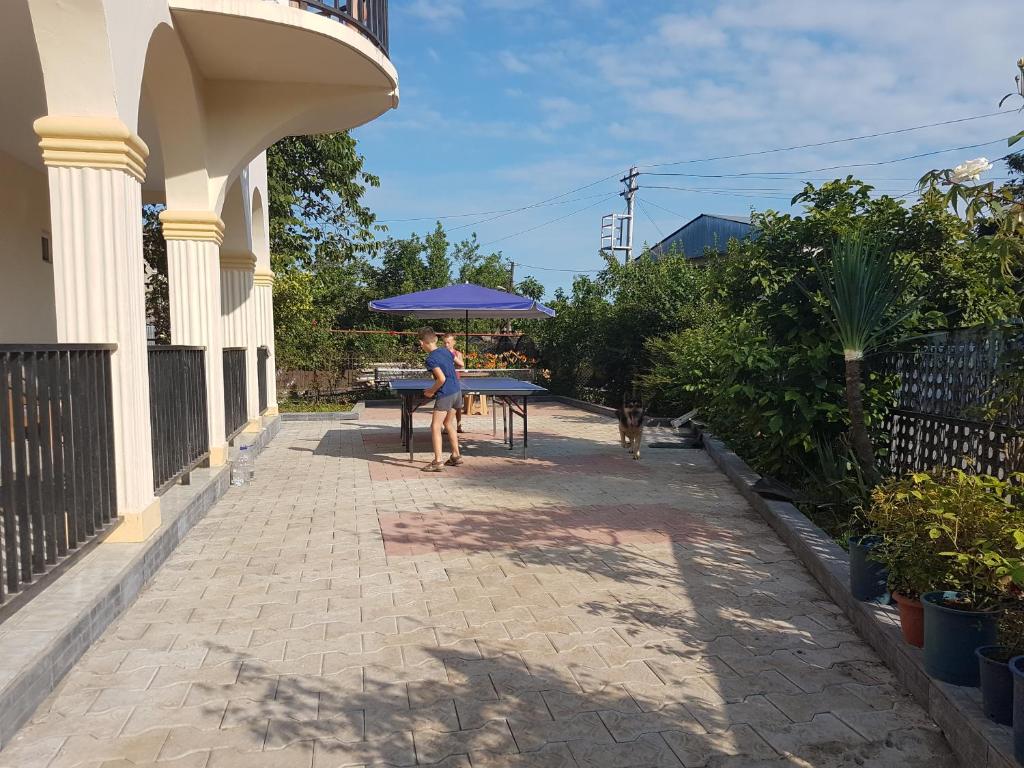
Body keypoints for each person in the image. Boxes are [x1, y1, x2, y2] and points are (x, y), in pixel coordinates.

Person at [417, 327, 463, 472]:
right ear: (436, 340)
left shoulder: (430, 359)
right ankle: (456, 455)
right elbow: (455, 366)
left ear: (421, 343)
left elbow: (441, 379)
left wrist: (431, 391)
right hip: (457, 391)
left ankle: (437, 461)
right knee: (448, 423)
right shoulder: (446, 351)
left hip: (446, 394)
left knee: (435, 426)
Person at [443, 333, 467, 433]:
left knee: (457, 406)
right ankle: (446, 426)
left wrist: (453, 358)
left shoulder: (458, 354)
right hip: (445, 382)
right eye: (445, 343)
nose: (446, 345)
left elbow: (462, 366)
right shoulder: (442, 353)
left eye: (448, 342)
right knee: (446, 406)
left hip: (456, 382)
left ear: (454, 342)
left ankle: (459, 425)